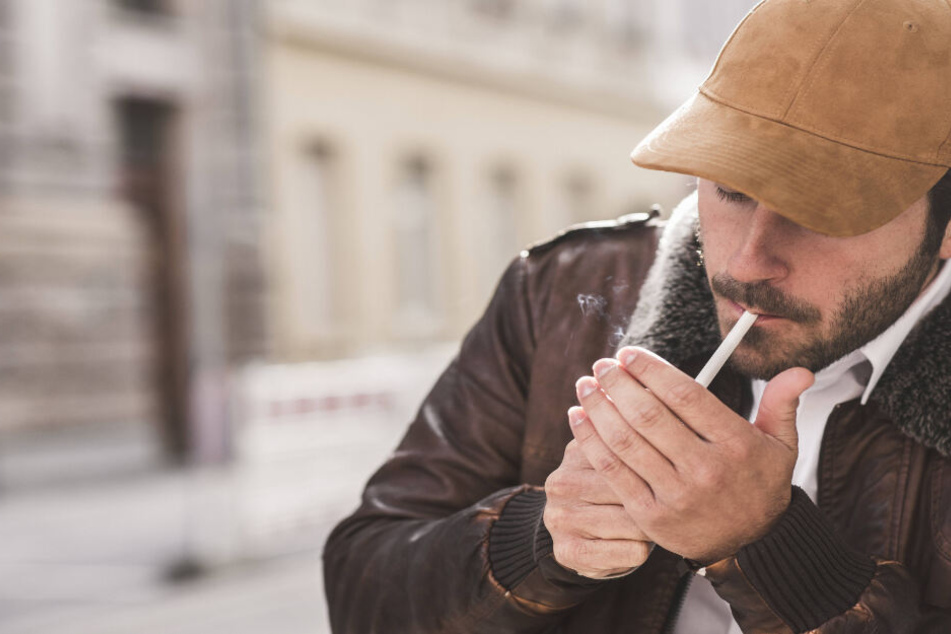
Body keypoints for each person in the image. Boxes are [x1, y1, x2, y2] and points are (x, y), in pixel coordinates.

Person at [324, 0, 951, 631]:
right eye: (731, 189)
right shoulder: (563, 292)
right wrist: (536, 542)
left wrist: (771, 549)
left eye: (820, 213)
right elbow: (363, 587)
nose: (746, 262)